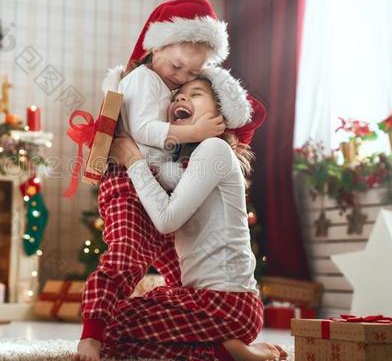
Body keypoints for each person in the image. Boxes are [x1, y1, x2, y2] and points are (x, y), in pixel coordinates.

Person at [76, 0, 232, 361]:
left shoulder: (167, 84)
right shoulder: (143, 79)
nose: (182, 76)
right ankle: (93, 335)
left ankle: (197, 335)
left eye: (193, 74)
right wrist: (194, 131)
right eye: (178, 65)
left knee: (187, 266)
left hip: (158, 188)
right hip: (128, 186)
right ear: (157, 45)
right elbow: (144, 130)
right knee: (126, 257)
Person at [101, 68, 288, 361]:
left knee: (113, 324)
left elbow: (166, 220)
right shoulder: (187, 163)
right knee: (114, 334)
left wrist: (133, 160)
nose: (182, 98)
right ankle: (224, 350)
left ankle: (231, 352)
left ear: (220, 116)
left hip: (226, 304)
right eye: (179, 96)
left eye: (196, 94)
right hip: (208, 302)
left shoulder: (214, 149)